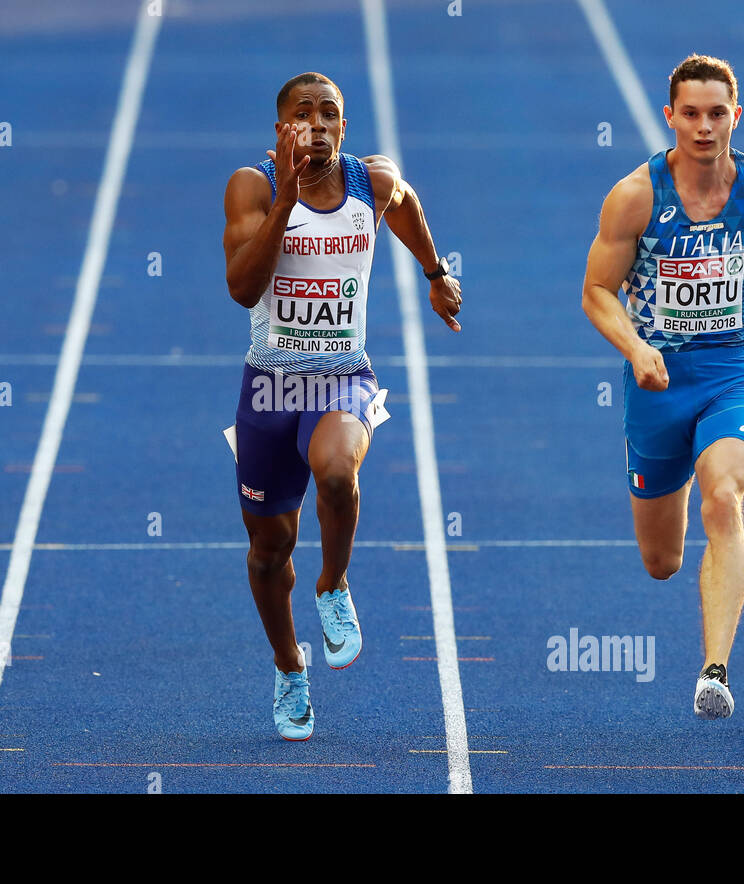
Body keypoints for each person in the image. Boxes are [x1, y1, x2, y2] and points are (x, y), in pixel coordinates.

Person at [223, 72, 462, 739]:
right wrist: (287, 200)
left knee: (337, 474)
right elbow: (242, 288)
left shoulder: (371, 182)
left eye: (330, 114)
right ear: (280, 131)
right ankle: (288, 666)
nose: (319, 124)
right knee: (270, 549)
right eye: (304, 114)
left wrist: (435, 274)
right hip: (270, 387)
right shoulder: (254, 186)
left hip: (341, 377)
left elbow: (407, 206)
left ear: (344, 127)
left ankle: (332, 584)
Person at [581, 54, 744, 719]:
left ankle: (714, 671)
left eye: (717, 114)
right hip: (656, 383)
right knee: (661, 562)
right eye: (691, 114)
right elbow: (596, 289)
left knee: (725, 498)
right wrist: (635, 345)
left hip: (729, 374)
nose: (705, 127)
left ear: (735, 117)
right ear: (670, 118)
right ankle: (665, 475)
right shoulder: (635, 196)